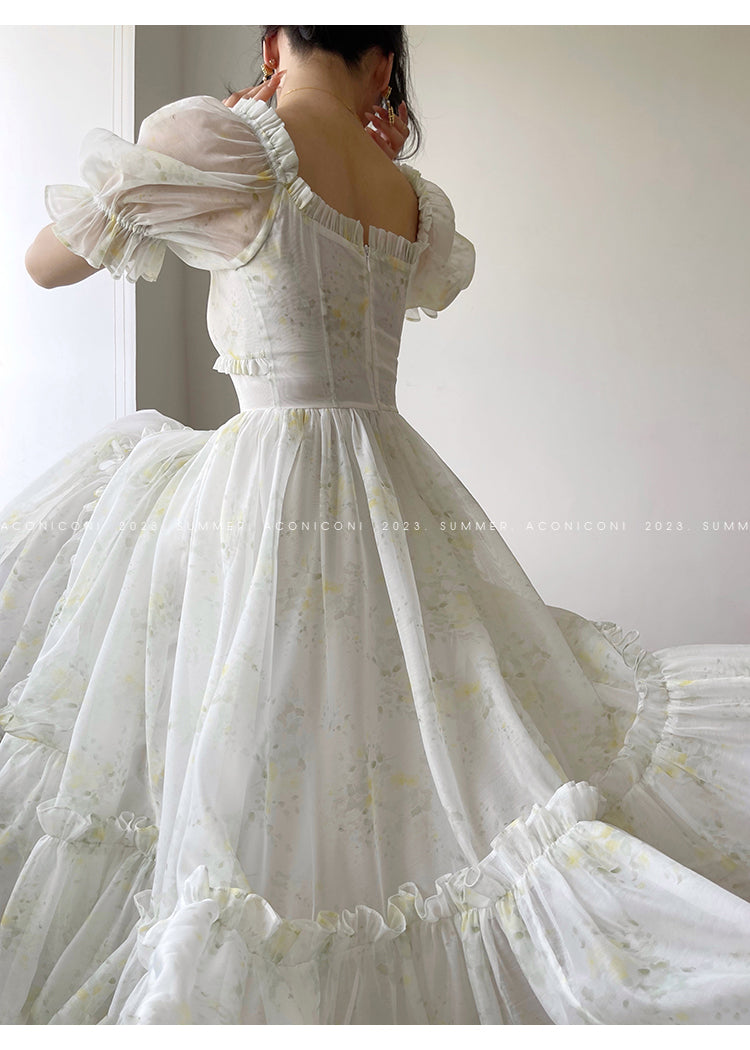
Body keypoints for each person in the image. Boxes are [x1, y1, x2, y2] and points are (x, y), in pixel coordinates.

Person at [1, 24, 750, 1026]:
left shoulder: (226, 142)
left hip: (266, 489)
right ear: (385, 66)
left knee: (254, 730)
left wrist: (198, 141)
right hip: (389, 479)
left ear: (274, 40)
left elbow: (45, 264)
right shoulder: (408, 196)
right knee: (413, 728)